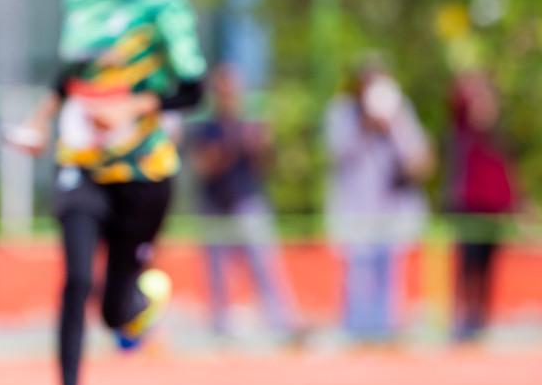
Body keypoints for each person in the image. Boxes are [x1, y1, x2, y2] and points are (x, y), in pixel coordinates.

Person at [11, 0, 207, 385]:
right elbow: (68, 76)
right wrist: (38, 125)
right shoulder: (80, 1)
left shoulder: (163, 4)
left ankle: (141, 298)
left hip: (145, 171)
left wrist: (132, 108)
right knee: (74, 279)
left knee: (116, 312)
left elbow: (192, 87)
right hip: (82, 165)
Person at [187, 62, 302, 341]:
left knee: (264, 263)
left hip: (247, 201)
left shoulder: (250, 125)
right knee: (217, 271)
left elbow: (266, 165)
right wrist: (230, 144)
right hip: (215, 205)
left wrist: (260, 145)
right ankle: (220, 326)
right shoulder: (206, 128)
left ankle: (281, 322)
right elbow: (204, 165)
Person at [324, 57, 432, 342]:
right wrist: (364, 124)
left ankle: (385, 331)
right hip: (356, 209)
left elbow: (417, 158)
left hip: (391, 210)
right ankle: (355, 331)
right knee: (357, 276)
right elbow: (338, 152)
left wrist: (391, 125)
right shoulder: (342, 112)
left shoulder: (399, 110)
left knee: (389, 276)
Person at [444, 70, 517, 342]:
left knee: (486, 267)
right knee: (467, 266)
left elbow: (506, 180)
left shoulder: (498, 140)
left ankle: (480, 320)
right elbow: (457, 100)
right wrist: (475, 81)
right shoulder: (464, 132)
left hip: (492, 214)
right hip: (467, 209)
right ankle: (462, 319)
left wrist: (513, 205)